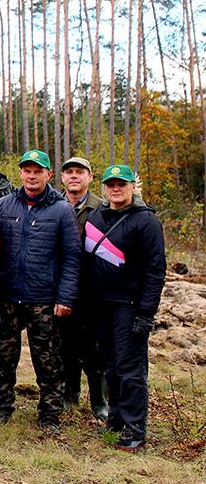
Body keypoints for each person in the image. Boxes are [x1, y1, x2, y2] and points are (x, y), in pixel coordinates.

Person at [0, 150, 80, 433]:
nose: (31, 175)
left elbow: (72, 256)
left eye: (37, 171)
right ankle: (1, 406)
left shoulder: (62, 209)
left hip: (44, 298)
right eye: (27, 170)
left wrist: (65, 296)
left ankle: (50, 413)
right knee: (2, 357)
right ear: (20, 173)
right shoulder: (5, 205)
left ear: (48, 175)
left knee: (47, 359)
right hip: (7, 296)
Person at [83, 164, 166, 451]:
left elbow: (156, 271)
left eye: (122, 184)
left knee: (131, 369)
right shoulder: (96, 216)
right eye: (111, 184)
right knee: (110, 367)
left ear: (133, 186)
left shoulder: (146, 222)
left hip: (129, 306)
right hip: (100, 306)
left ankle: (135, 428)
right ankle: (115, 420)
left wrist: (146, 313)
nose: (116, 189)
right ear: (104, 188)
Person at [60, 156, 107, 420]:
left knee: (94, 349)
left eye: (80, 172)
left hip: (92, 288)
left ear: (90, 177)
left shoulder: (102, 207)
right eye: (69, 172)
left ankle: (99, 400)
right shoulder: (54, 204)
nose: (74, 176)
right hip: (62, 287)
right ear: (62, 177)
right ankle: (70, 394)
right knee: (66, 346)